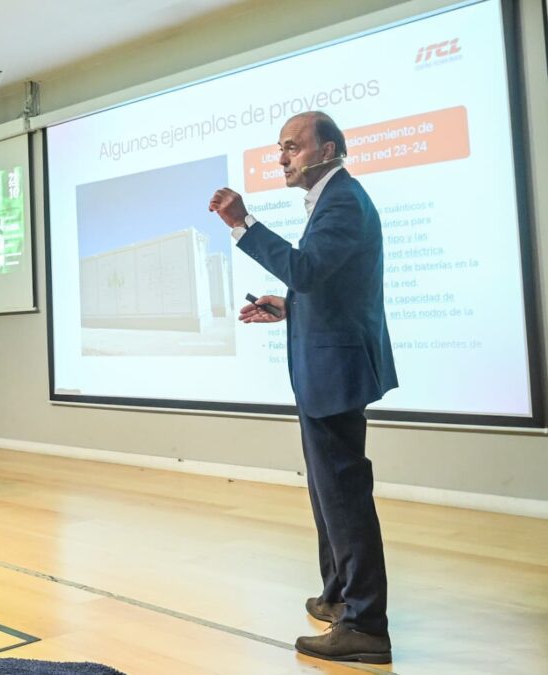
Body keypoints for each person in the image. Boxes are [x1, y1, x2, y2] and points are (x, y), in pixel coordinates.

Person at [208, 111, 398, 664]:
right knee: (327, 493)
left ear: (328, 149)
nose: (282, 157)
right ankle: (340, 597)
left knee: (343, 496)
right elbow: (328, 286)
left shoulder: (342, 198)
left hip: (335, 372)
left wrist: (243, 224)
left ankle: (365, 626)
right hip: (324, 365)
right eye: (279, 148)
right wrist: (288, 308)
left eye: (292, 147)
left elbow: (309, 270)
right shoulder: (332, 200)